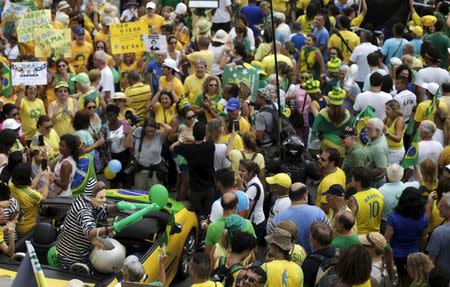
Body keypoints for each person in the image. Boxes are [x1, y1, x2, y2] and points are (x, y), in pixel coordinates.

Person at [56, 179, 117, 271]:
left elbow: (103, 210)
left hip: (75, 252)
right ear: (90, 197)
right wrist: (112, 228)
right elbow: (90, 232)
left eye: (104, 197)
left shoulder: (86, 200)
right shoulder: (83, 210)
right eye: (101, 198)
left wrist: (118, 206)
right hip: (72, 258)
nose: (104, 200)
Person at [384, 187, 428, 286]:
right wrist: (420, 251)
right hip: (414, 256)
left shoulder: (393, 217)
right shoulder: (424, 219)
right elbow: (423, 239)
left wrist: (387, 258)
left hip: (396, 256)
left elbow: (386, 241)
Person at [171, 121, 215, 217]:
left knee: (195, 215)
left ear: (194, 134)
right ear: (205, 134)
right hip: (210, 188)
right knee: (208, 215)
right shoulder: (210, 145)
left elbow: (172, 148)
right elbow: (202, 141)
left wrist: (181, 139)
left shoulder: (187, 148)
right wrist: (189, 138)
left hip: (195, 190)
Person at [271, 182, 330, 254]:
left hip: (287, 261)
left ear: (290, 197)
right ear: (305, 196)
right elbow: (328, 235)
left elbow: (271, 240)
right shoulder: (319, 213)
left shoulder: (278, 217)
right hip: (313, 259)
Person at [124, 118, 171, 190]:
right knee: (139, 193)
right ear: (144, 128)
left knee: (154, 193)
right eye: (148, 130)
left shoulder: (160, 135)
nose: (150, 132)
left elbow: (169, 129)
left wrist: (159, 122)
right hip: (140, 169)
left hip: (155, 171)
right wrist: (130, 131)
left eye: (152, 129)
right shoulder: (138, 131)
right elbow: (126, 144)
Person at [205, 192, 255, 257]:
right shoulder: (247, 224)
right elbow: (253, 250)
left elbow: (207, 253)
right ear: (236, 206)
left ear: (221, 205)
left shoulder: (212, 227)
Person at [10, 163, 50, 236]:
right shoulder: (30, 195)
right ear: (27, 177)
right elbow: (44, 197)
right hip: (28, 229)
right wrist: (47, 180)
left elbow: (29, 187)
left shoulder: (11, 186)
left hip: (15, 226)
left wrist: (40, 174)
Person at [348, 169, 384, 234]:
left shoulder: (353, 199)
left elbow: (349, 221)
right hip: (376, 235)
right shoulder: (378, 192)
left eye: (352, 179)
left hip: (361, 237)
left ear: (358, 182)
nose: (351, 181)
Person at [238, 159, 265, 242]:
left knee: (250, 248)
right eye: (239, 169)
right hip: (255, 221)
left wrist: (239, 186)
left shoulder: (253, 187)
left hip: (255, 223)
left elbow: (243, 205)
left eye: (243, 171)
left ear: (251, 173)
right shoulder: (249, 181)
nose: (239, 173)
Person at [301, 222, 336, 287]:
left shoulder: (310, 262)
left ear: (315, 241)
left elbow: (305, 283)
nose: (309, 237)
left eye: (310, 235)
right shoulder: (338, 253)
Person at [316, 148, 346, 212]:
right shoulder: (340, 172)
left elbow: (325, 209)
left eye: (323, 160)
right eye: (320, 158)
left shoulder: (327, 182)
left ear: (332, 163)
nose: (319, 161)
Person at [426, 196, 450, 270]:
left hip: (442, 277)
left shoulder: (439, 232)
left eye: (441, 205)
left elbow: (430, 262)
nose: (437, 207)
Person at [364, 118, 389, 187]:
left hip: (374, 183)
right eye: (366, 127)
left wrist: (364, 174)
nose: (366, 130)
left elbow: (382, 169)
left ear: (378, 131)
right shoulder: (378, 136)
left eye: (369, 129)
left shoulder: (378, 148)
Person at [384, 100, 406, 165]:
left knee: (390, 173)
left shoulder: (399, 120)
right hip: (387, 149)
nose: (385, 110)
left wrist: (386, 133)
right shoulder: (388, 117)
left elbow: (398, 139)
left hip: (395, 152)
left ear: (394, 110)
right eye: (385, 108)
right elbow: (380, 125)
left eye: (388, 109)